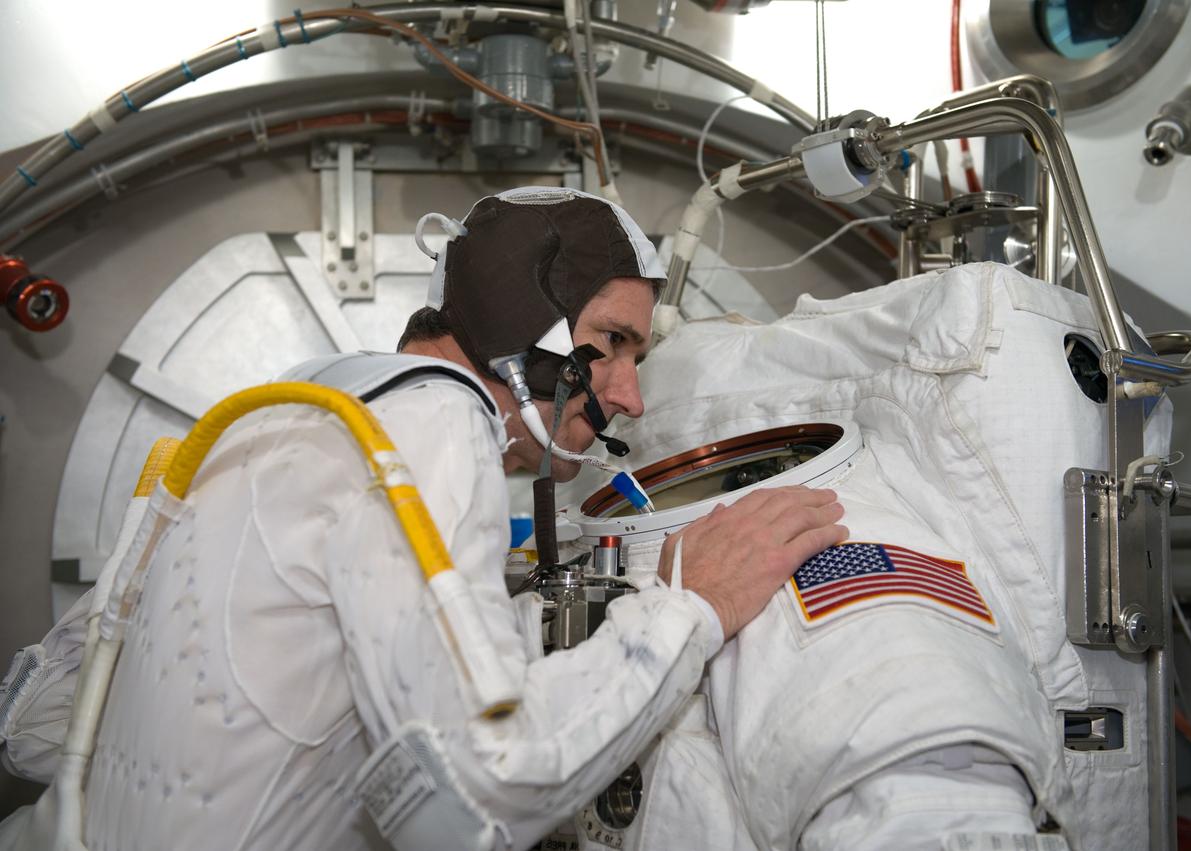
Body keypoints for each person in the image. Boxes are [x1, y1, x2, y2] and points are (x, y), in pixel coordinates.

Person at [0, 186, 846, 850]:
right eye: (612, 342)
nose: (627, 394)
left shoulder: (302, 398)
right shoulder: (436, 422)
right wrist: (693, 606)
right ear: (525, 318)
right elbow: (487, 789)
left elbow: (39, 724)